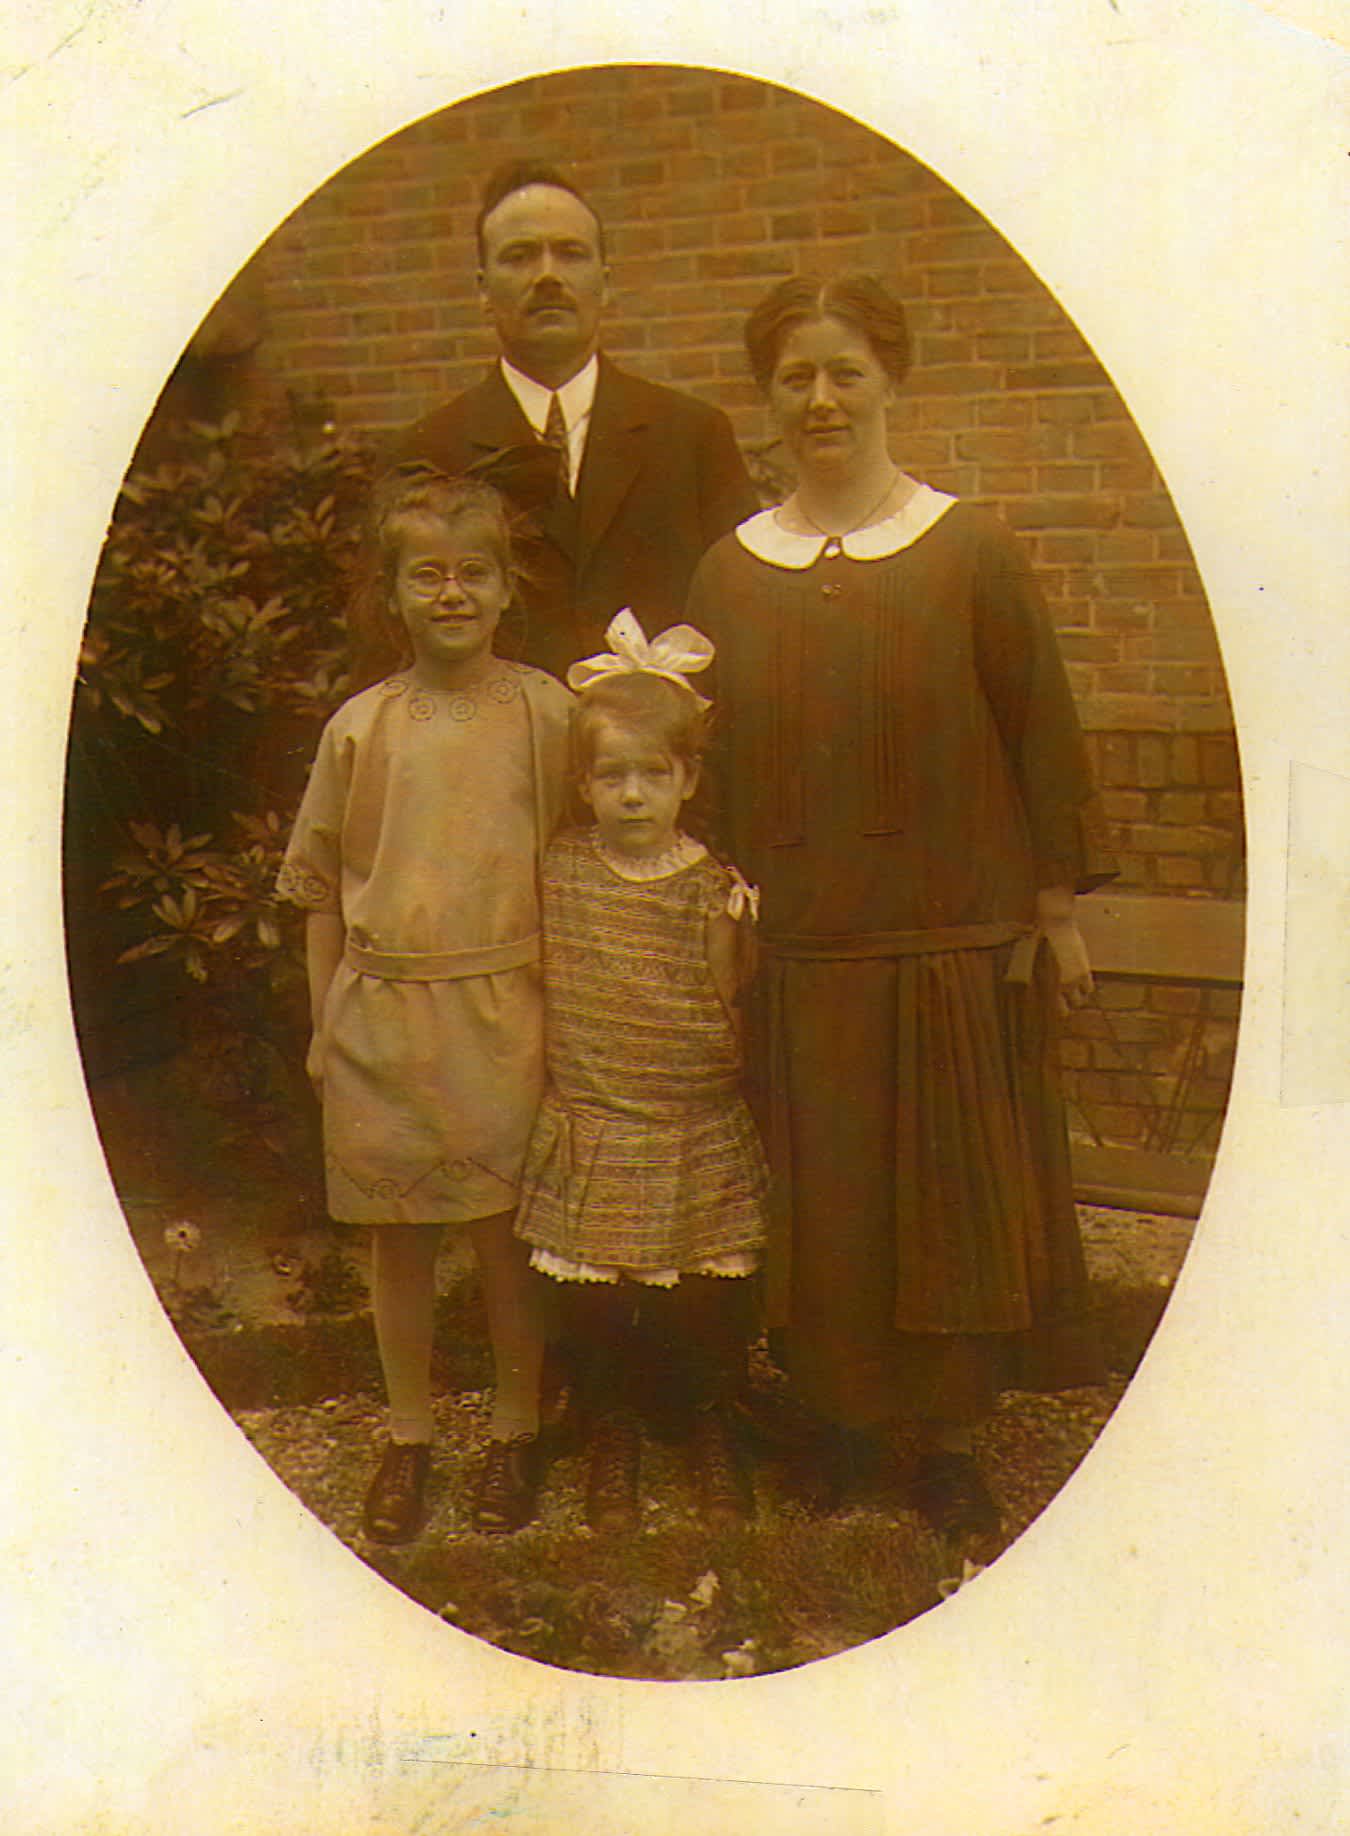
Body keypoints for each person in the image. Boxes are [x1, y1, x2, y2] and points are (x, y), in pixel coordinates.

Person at [685, 273, 1116, 1538]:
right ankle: (838, 1426)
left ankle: (944, 1443)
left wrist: (1055, 911)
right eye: (795, 377)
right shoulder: (729, 573)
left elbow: (1040, 732)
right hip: (805, 947)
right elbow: (708, 767)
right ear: (766, 399)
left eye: (846, 371)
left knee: (948, 1199)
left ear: (892, 381)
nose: (821, 398)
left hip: (951, 940)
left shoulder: (968, 550)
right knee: (825, 1203)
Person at [276, 467, 571, 1543]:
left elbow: (584, 860)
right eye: (427, 575)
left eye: (474, 572)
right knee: (397, 1240)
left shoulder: (545, 711)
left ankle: (515, 1429)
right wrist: (325, 1027)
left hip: (509, 1010)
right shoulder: (363, 726)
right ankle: (408, 1434)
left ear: (507, 587)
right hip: (383, 1015)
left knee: (504, 1238)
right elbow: (319, 889)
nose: (452, 594)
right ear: (390, 593)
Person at [513, 613, 768, 1532]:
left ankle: (709, 1422)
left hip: (687, 1119)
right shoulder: (559, 871)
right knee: (597, 1302)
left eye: (652, 775)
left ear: (687, 780)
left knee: (704, 1295)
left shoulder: (712, 885)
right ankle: (610, 1426)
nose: (631, 796)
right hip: (598, 1116)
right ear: (582, 784)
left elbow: (729, 1002)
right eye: (611, 776)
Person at [390, 160, 759, 680]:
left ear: (605, 284)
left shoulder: (694, 436)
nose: (547, 275)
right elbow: (388, 650)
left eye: (570, 253)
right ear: (483, 291)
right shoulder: (425, 451)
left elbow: (741, 621)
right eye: (519, 256)